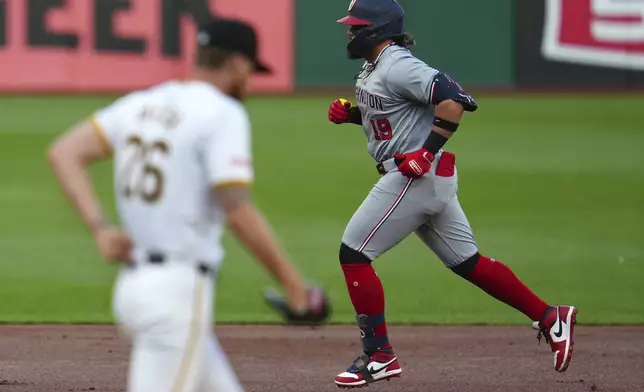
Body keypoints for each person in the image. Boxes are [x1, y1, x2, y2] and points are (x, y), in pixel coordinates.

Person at [48, 18, 329, 392]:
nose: (249, 81)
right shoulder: (222, 113)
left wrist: (100, 228)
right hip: (177, 297)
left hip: (134, 288)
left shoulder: (141, 103)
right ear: (237, 64)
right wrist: (295, 286)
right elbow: (238, 211)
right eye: (250, 70)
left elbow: (65, 152)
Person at [327, 0, 577, 388]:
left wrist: (425, 153)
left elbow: (456, 100)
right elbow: (397, 111)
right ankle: (550, 317)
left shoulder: (399, 63)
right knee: (468, 262)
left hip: (413, 177)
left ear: (378, 28)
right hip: (428, 179)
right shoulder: (377, 66)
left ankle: (379, 355)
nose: (349, 31)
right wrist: (355, 115)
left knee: (354, 254)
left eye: (356, 25)